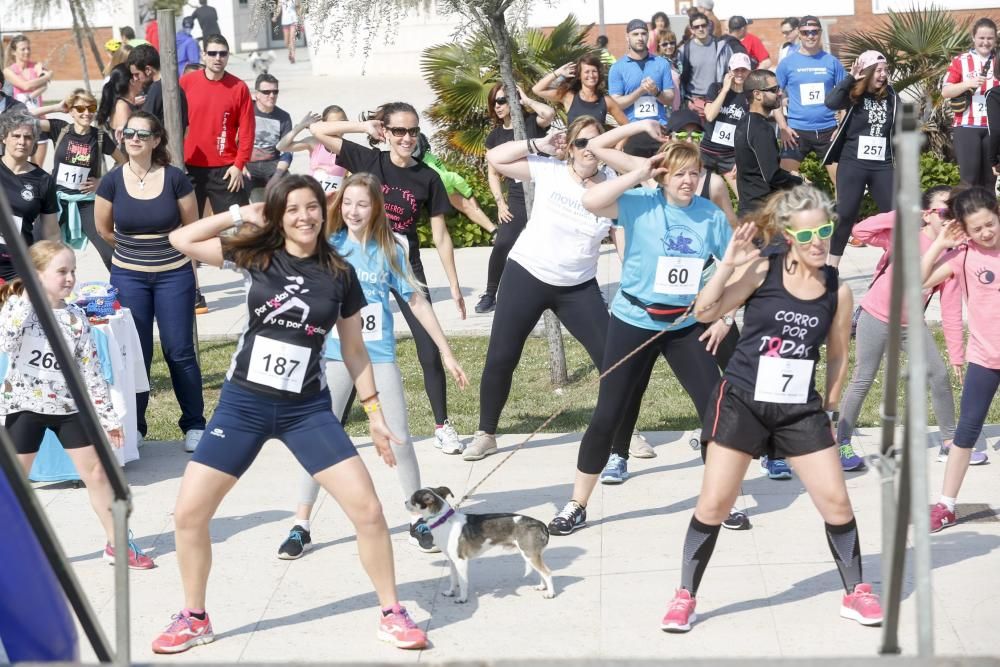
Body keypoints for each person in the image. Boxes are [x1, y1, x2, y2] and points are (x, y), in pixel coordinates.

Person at [151, 174, 429, 653]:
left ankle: (392, 612)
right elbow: (182, 238)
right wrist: (242, 213)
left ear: (325, 211)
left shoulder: (340, 273)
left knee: (368, 510)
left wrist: (374, 413)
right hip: (243, 406)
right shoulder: (257, 257)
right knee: (190, 513)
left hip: (306, 411)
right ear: (279, 215)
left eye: (312, 207)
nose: (305, 216)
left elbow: (355, 350)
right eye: (293, 209)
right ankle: (194, 617)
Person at [659, 185, 883, 632]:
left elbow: (838, 353)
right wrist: (728, 264)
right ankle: (685, 595)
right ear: (788, 235)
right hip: (743, 401)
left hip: (800, 410)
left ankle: (856, 591)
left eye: (826, 229)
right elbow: (704, 313)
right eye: (809, 234)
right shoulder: (763, 271)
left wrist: (833, 409)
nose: (819, 241)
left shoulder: (837, 290)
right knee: (716, 504)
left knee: (837, 503)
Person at [277, 172, 469, 559]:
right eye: (347, 203)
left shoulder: (391, 248)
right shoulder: (327, 246)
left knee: (399, 435)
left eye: (362, 203)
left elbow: (416, 302)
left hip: (378, 356)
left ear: (376, 207)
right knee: (317, 437)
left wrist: (446, 352)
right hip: (333, 355)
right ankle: (301, 524)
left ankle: (418, 518)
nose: (353, 211)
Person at [546, 140, 733, 535]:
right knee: (608, 414)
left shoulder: (709, 216)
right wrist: (640, 170)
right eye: (679, 173)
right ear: (663, 175)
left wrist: (726, 315)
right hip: (634, 320)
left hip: (684, 325)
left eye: (694, 173)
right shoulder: (640, 202)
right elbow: (593, 200)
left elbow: (735, 265)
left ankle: (720, 500)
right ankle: (577, 503)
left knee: (716, 408)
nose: (688, 180)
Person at [469, 117, 652, 465]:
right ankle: (486, 433)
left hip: (578, 286)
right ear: (569, 147)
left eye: (596, 143)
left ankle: (626, 434)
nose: (588, 150)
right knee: (502, 356)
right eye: (581, 143)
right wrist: (537, 144)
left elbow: (621, 234)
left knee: (612, 362)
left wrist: (632, 278)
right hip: (527, 274)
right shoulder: (550, 169)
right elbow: (496, 158)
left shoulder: (614, 183)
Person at [308, 101, 466, 452]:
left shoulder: (429, 177)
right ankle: (337, 428)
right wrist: (363, 127)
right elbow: (318, 131)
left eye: (412, 131)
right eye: (398, 131)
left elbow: (440, 235)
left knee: (427, 346)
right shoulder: (369, 160)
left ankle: (442, 425)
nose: (406, 138)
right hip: (362, 264)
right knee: (351, 342)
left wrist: (454, 284)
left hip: (403, 263)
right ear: (387, 131)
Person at [0, 240, 155, 569]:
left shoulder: (75, 318)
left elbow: (91, 373)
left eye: (73, 271)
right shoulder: (18, 307)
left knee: (98, 473)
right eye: (61, 271)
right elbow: (5, 342)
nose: (70, 278)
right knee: (14, 484)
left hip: (68, 410)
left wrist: (109, 418)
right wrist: (27, 300)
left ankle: (117, 543)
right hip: (26, 407)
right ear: (37, 273)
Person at [837, 187, 981, 474]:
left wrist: (956, 355)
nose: (950, 218)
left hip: (911, 324)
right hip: (876, 315)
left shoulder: (952, 256)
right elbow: (862, 231)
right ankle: (841, 442)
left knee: (938, 374)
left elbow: (952, 310)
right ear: (927, 215)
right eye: (944, 212)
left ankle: (949, 441)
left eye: (954, 212)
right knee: (863, 378)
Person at [94, 112, 206, 452]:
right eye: (129, 133)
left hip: (174, 275)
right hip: (128, 277)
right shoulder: (112, 180)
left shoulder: (175, 179)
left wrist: (162, 254)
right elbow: (103, 229)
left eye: (142, 134)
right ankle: (136, 426)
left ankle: (194, 424)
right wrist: (135, 254)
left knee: (179, 351)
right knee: (134, 353)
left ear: (157, 140)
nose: (134, 138)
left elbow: (191, 227)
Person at [923, 187, 1000, 533]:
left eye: (990, 224)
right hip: (984, 359)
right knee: (965, 433)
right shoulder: (964, 257)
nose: (986, 233)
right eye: (977, 229)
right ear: (965, 232)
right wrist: (940, 245)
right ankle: (946, 505)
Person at [480, 83, 555, 314]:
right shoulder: (495, 136)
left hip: (544, 191)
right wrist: (500, 203)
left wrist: (526, 98)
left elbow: (549, 114)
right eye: (495, 102)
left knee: (551, 244)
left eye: (503, 100)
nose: (498, 106)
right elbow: (493, 172)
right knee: (503, 242)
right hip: (516, 196)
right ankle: (491, 293)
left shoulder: (531, 123)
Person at [823, 50, 897, 268]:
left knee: (893, 214)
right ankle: (832, 267)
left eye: (885, 70)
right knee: (845, 214)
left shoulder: (891, 95)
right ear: (867, 72)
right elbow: (831, 103)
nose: (883, 75)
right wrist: (849, 79)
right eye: (878, 70)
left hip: (882, 164)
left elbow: (902, 124)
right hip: (853, 161)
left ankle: (895, 261)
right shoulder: (854, 93)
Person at [37, 90, 125, 270]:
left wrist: (102, 181)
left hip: (86, 202)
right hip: (56, 200)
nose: (87, 112)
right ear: (71, 111)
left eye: (91, 107)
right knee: (36, 247)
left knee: (109, 251)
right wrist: (54, 107)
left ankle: (126, 290)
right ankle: (35, 292)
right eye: (80, 108)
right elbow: (18, 118)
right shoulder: (59, 128)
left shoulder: (99, 136)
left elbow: (124, 161)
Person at [180, 33, 254, 216]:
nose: (217, 58)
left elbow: (247, 131)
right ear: (203, 55)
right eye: (212, 53)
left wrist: (239, 165)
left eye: (223, 54)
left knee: (239, 227)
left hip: (226, 169)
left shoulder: (239, 87)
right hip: (188, 167)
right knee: (186, 227)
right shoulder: (186, 82)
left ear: (228, 56)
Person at [774, 16, 846, 186]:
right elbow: (773, 98)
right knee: (784, 179)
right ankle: (804, 195)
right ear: (799, 34)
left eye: (814, 32)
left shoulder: (832, 62)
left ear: (820, 33)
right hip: (797, 132)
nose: (810, 36)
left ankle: (842, 214)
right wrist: (783, 127)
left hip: (829, 130)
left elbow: (846, 100)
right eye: (806, 32)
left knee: (842, 181)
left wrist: (841, 128)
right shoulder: (787, 64)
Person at [0, 112, 58, 281]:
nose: (21, 142)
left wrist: (53, 267)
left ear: (34, 142)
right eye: (16, 136)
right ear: (4, 138)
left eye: (28, 137)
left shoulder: (43, 180)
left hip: (18, 267)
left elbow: (52, 233)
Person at [735, 69, 802, 214]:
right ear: (757, 94)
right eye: (774, 89)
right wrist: (799, 181)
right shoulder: (761, 129)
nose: (779, 93)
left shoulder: (744, 122)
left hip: (749, 210)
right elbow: (772, 176)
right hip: (762, 214)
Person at [943, 18, 999, 190]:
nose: (985, 42)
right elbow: (946, 91)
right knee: (969, 179)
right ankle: (966, 215)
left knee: (990, 181)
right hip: (967, 125)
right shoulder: (961, 60)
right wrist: (968, 83)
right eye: (981, 37)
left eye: (990, 38)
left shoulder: (999, 59)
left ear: (995, 39)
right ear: (973, 38)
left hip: (993, 127)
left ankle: (989, 217)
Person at [411, 132, 497, 239]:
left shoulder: (433, 170)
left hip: (443, 190)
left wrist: (469, 195)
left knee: (470, 207)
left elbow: (452, 178)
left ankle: (495, 232)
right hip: (432, 191)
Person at [701, 53, 751, 195]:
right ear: (730, 70)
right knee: (699, 194)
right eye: (736, 70)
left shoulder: (751, 96)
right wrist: (725, 90)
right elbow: (709, 116)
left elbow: (750, 132)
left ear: (749, 71)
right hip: (706, 152)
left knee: (744, 197)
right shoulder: (716, 87)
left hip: (730, 156)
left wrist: (741, 159)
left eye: (744, 70)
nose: (740, 74)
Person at [532, 54, 629, 128]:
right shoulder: (568, 97)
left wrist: (618, 146)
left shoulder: (606, 101)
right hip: (575, 151)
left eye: (594, 71)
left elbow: (627, 125)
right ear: (579, 76)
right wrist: (558, 73)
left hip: (597, 152)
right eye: (587, 72)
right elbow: (537, 89)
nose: (591, 75)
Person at [609, 19, 675, 125]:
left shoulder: (662, 63)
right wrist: (640, 91)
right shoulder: (617, 67)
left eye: (643, 34)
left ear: (648, 36)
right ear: (627, 37)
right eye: (635, 34)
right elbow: (616, 104)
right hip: (631, 128)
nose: (640, 38)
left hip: (659, 126)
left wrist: (656, 92)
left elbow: (670, 98)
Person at [276, 104, 348, 194]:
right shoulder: (315, 142)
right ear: (324, 124)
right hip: (313, 197)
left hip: (334, 202)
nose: (338, 127)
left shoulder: (350, 149)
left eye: (342, 123)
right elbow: (281, 146)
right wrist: (301, 126)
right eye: (333, 124)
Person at [3, 36, 52, 166]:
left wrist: (42, 82)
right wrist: (46, 76)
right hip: (19, 123)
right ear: (14, 52)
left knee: (36, 167)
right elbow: (25, 86)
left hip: (38, 120)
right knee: (15, 167)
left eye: (28, 48)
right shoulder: (8, 71)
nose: (27, 52)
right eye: (23, 49)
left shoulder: (36, 66)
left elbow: (44, 86)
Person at [677, 12, 736, 120]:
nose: (701, 29)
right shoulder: (684, 50)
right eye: (696, 27)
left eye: (703, 25)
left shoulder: (722, 47)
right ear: (691, 29)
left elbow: (732, 71)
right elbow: (679, 79)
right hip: (694, 102)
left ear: (709, 25)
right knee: (697, 136)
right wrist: (687, 101)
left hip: (717, 100)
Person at [245, 73, 293, 203]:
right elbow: (231, 141)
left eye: (275, 91)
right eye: (266, 92)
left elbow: (287, 151)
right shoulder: (245, 110)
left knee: (290, 193)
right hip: (247, 165)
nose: (271, 96)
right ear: (256, 94)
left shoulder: (284, 117)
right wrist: (240, 166)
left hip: (273, 165)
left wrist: (278, 174)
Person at [128, 44, 190, 136]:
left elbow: (141, 124)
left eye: (137, 74)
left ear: (148, 70)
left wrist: (132, 107)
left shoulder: (157, 89)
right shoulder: (175, 86)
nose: (135, 78)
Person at [96, 64, 143, 144]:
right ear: (132, 81)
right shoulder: (122, 106)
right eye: (137, 75)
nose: (141, 78)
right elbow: (126, 139)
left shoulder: (125, 103)